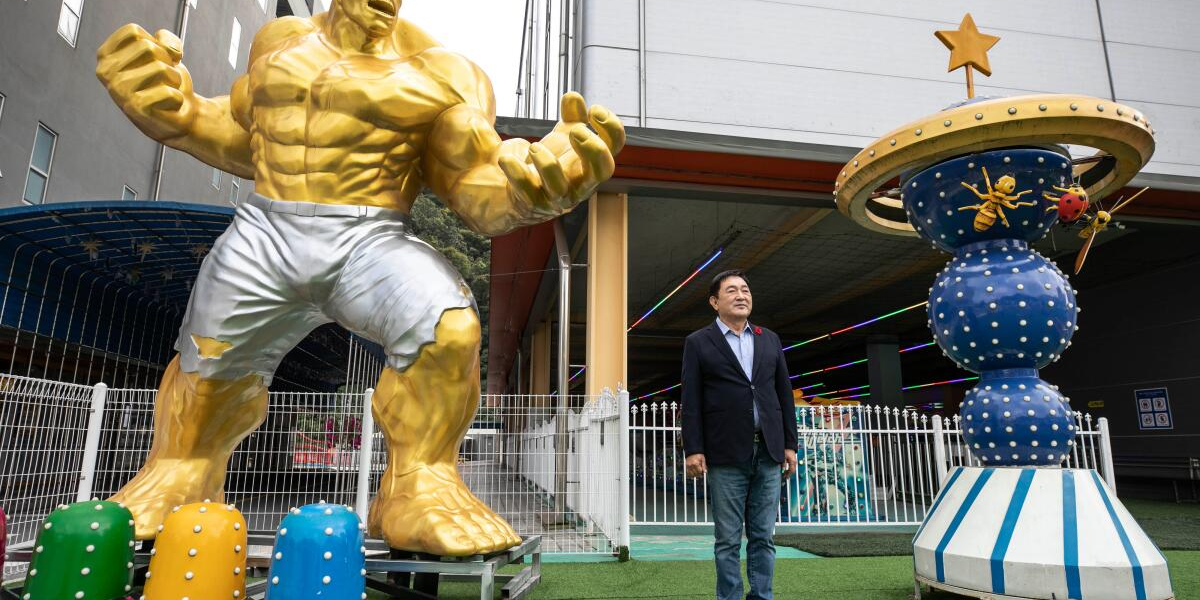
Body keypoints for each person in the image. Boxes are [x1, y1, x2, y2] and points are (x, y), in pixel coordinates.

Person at [94, 0, 624, 556]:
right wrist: (177, 113)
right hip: (265, 226)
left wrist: (528, 190)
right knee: (206, 357)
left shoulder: (444, 72)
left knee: (448, 328)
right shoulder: (278, 39)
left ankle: (419, 485)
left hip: (369, 235)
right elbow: (249, 133)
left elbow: (472, 185)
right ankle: (181, 473)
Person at [682, 270, 798, 600]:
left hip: (769, 452)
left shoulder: (768, 338)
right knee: (728, 540)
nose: (741, 295)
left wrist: (790, 445)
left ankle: (761, 596)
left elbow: (784, 393)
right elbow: (691, 400)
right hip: (725, 452)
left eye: (745, 290)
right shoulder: (698, 342)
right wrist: (693, 448)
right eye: (731, 290)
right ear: (714, 301)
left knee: (763, 536)